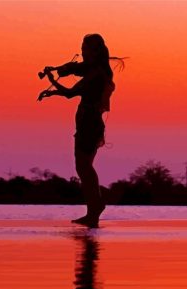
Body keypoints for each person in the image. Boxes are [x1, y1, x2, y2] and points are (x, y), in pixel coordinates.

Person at [38, 34, 123, 227]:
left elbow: (70, 93)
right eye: (82, 48)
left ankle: (95, 207)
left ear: (96, 52)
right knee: (84, 166)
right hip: (88, 123)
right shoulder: (93, 69)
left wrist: (53, 80)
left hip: (89, 124)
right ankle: (93, 209)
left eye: (87, 49)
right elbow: (75, 69)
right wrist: (60, 71)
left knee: (84, 167)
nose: (84, 53)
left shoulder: (97, 73)